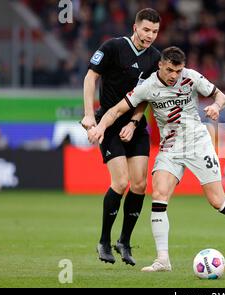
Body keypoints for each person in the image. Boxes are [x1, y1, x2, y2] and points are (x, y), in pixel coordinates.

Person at [88, 46, 225, 272]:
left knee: (218, 201)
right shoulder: (147, 86)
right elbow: (116, 110)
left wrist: (216, 106)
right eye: (169, 71)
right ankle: (163, 260)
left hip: (198, 143)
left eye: (178, 71)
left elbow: (221, 96)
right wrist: (100, 128)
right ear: (160, 65)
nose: (174, 76)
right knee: (158, 194)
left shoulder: (191, 77)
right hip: (170, 147)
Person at [81, 8, 161, 266]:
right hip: (109, 123)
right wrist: (88, 116)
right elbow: (90, 77)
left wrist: (136, 121)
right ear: (135, 27)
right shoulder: (113, 47)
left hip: (135, 126)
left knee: (139, 185)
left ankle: (124, 241)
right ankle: (104, 240)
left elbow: (146, 96)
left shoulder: (155, 58)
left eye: (155, 32)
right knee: (121, 181)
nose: (150, 36)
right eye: (146, 30)